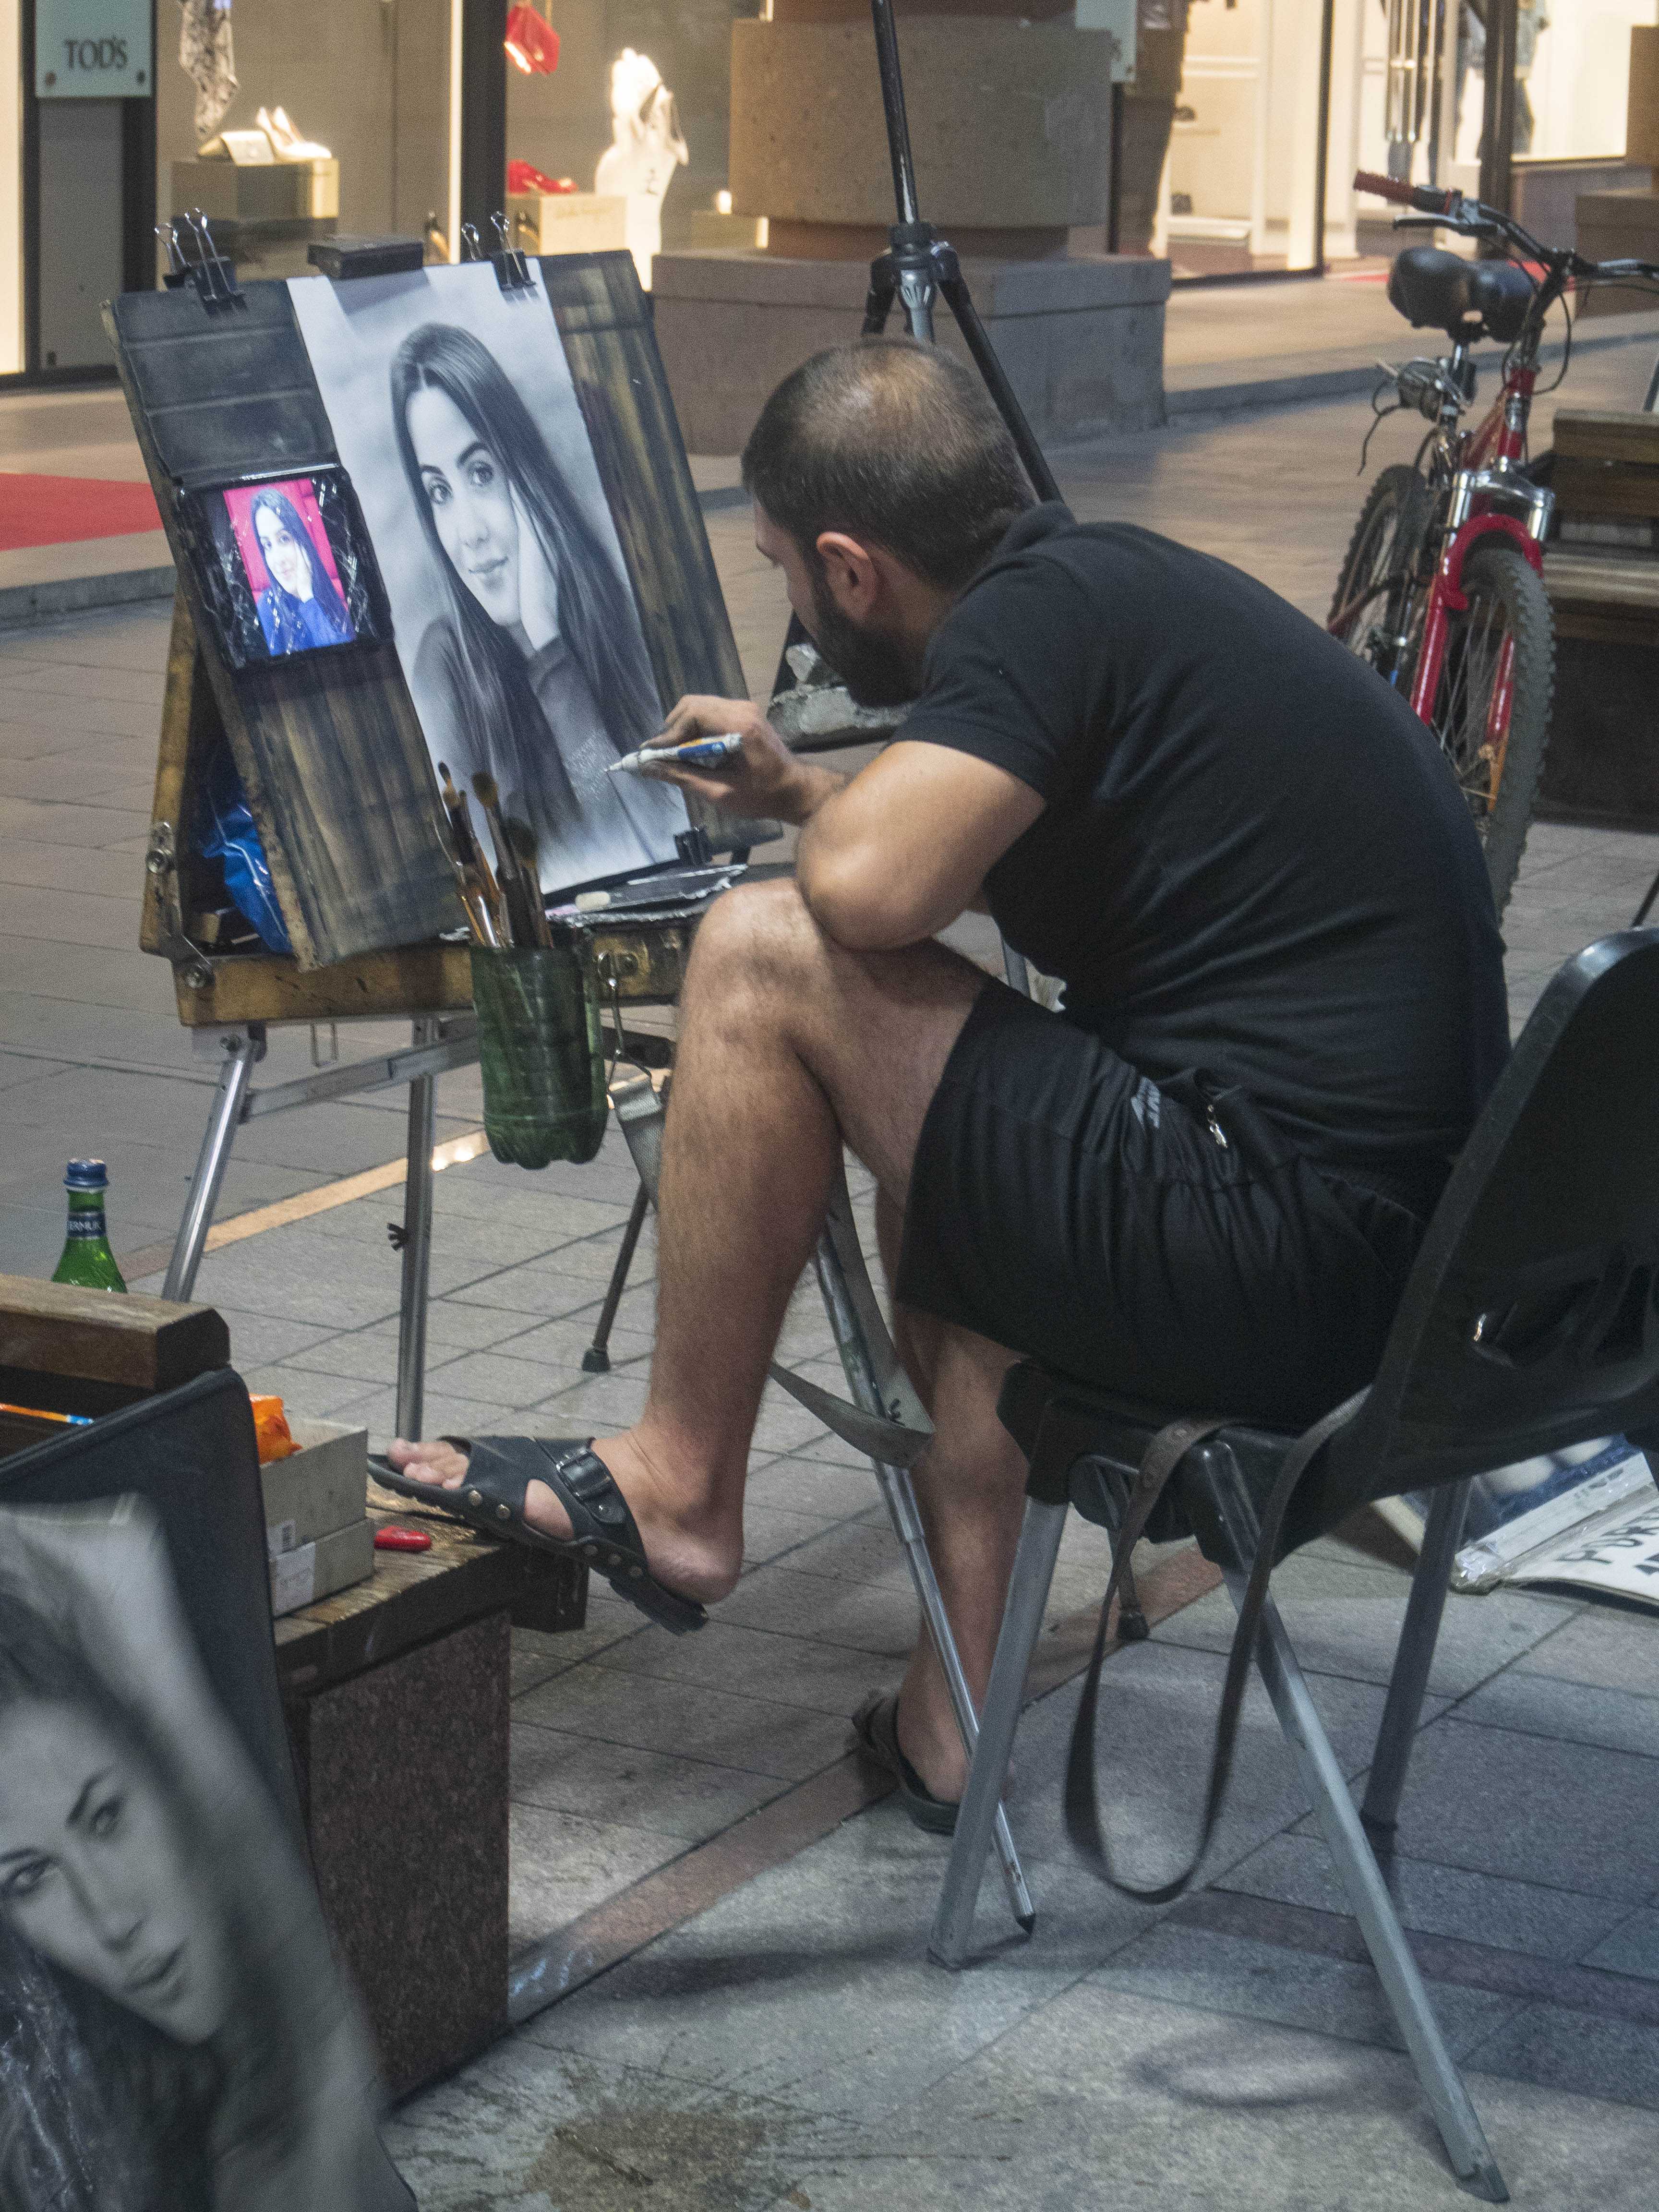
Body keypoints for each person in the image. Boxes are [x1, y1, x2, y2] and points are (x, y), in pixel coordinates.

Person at [384, 338, 1508, 1828]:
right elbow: (952, 849)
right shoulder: (1104, 588)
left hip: (1283, 1256)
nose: (793, 612)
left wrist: (812, 837)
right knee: (950, 1197)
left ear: (853, 570)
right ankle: (950, 1722)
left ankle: (676, 1483)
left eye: (787, 572)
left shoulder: (1028, 627)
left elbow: (868, 895)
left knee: (761, 950)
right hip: (1401, 1284)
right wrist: (799, 789)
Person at [0, 1568, 384, 2210]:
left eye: (105, 1818)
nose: (110, 1917)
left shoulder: (312, 2069)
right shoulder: (49, 2117)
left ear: (171, 1775)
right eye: (29, 1878)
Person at [389, 321, 685, 889]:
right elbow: (481, 890)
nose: (468, 533)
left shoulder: (600, 598)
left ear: (524, 473)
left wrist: (548, 646)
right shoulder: (442, 666)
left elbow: (648, 847)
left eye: (481, 474)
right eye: (439, 492)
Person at [247, 487, 354, 656]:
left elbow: (346, 657)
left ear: (301, 540)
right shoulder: (268, 607)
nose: (277, 559)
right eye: (267, 545)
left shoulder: (324, 593)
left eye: (284, 539)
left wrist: (307, 598)